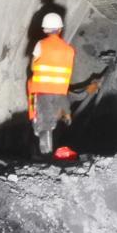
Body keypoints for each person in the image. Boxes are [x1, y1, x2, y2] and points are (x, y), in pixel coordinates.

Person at [27, 13, 75, 157]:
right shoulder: (69, 50)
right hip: (60, 92)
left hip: (42, 89)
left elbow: (33, 67)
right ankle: (53, 150)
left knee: (43, 124)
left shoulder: (41, 45)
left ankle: (46, 156)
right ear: (60, 29)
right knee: (53, 120)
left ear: (45, 29)